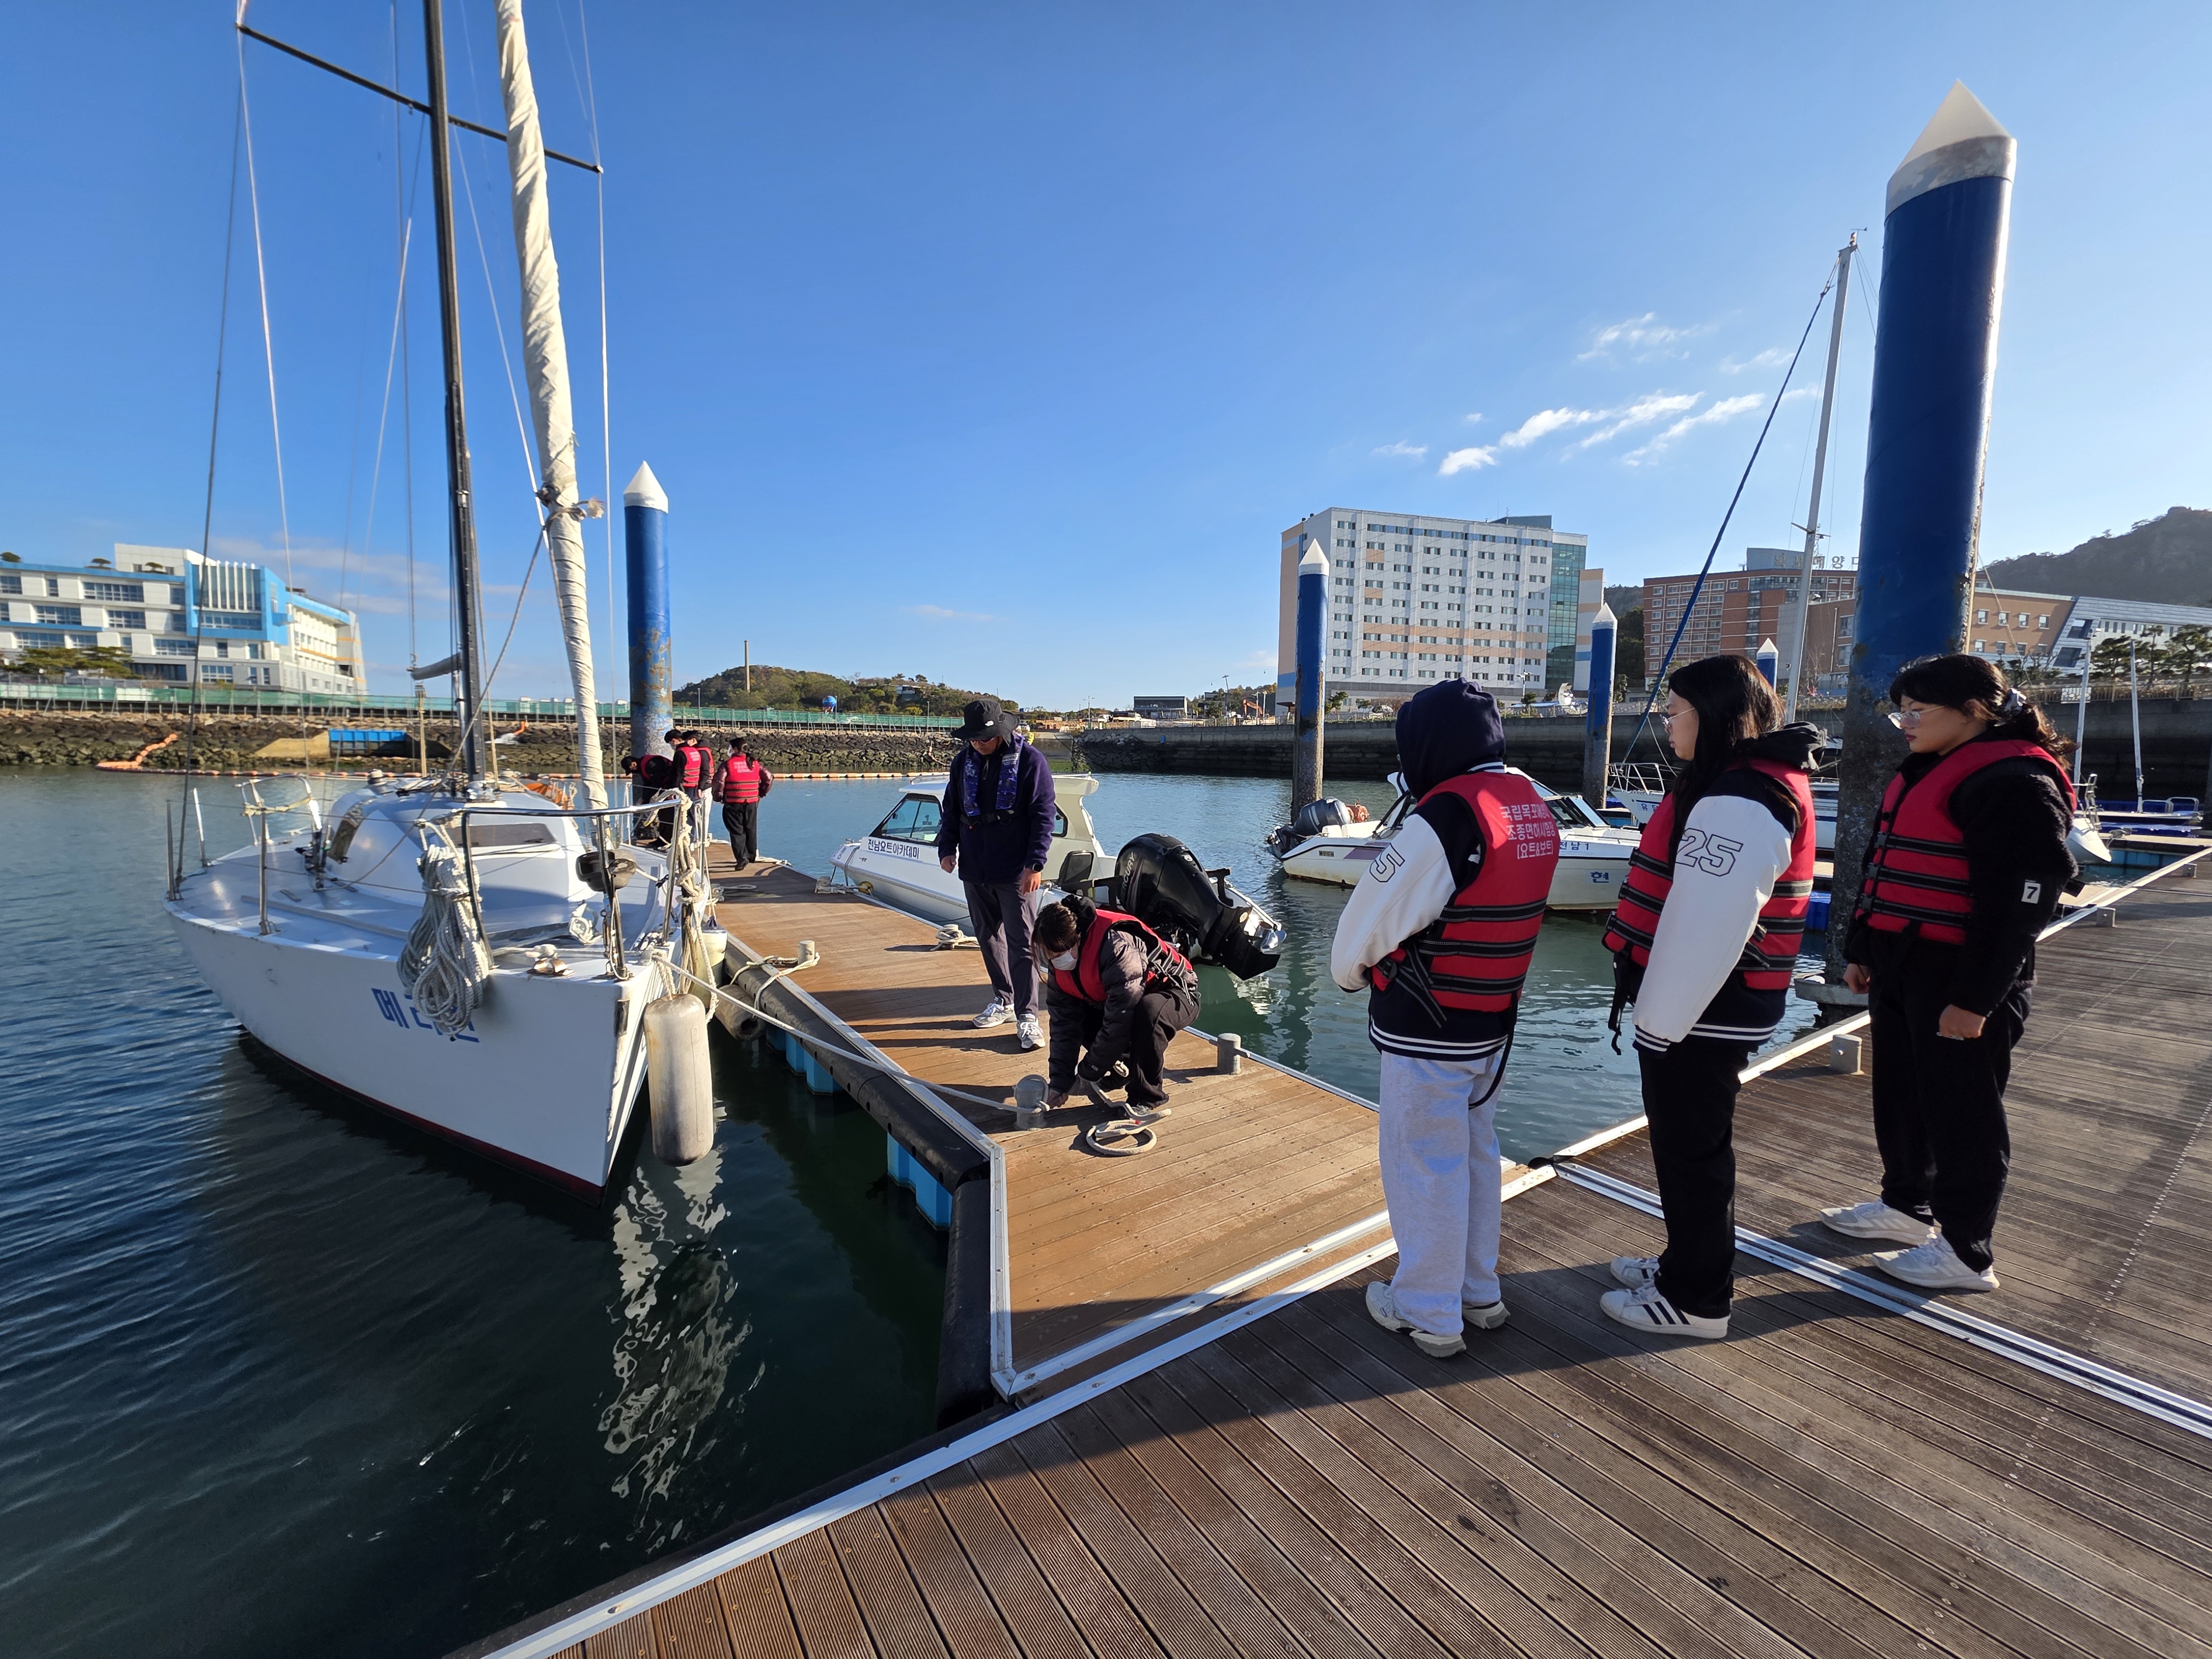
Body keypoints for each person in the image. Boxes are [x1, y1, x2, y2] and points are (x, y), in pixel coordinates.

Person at [1821, 655, 2076, 1293]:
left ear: (1975, 712)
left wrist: (1974, 999)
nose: (1903, 723)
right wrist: (1861, 948)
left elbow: (2024, 899)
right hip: (1903, 962)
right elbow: (1879, 868)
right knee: (1903, 1095)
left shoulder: (2014, 781)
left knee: (1963, 1114)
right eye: (1898, 709)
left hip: (1962, 974)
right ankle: (1905, 1206)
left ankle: (1967, 1251)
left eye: (1917, 711)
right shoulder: (1928, 767)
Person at [1329, 678, 1562, 1359]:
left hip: (1427, 1028)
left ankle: (1426, 1310)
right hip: (1493, 1024)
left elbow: (1362, 932)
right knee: (1475, 1154)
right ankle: (1475, 1291)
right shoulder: (1532, 805)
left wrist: (1349, 976)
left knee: (1423, 1162)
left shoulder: (1444, 818)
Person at [1597, 654, 1820, 1340]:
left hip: (1706, 1009)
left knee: (1692, 1152)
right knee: (1690, 1146)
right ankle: (1682, 1263)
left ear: (1718, 714)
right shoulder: (1736, 784)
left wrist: (1660, 1025)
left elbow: (1707, 924)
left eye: (1675, 710)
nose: (1667, 724)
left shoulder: (1741, 798)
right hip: (1717, 1005)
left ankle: (1697, 1299)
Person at [935, 696, 1055, 1051]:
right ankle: (1003, 999)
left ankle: (1028, 1016)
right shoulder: (963, 762)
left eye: (984, 738)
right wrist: (946, 848)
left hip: (1016, 869)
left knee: (1022, 943)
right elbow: (952, 809)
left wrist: (1035, 864)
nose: (978, 743)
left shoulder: (1031, 761)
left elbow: (1043, 814)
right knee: (988, 937)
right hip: (975, 866)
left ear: (1001, 732)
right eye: (972, 738)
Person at [1035, 896, 1199, 1119]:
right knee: (1080, 1014)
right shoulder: (1060, 961)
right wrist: (1060, 1082)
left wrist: (1088, 1072)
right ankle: (1120, 1068)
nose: (1055, 961)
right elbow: (1063, 1024)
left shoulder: (1115, 946)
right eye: (1049, 956)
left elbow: (1121, 1018)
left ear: (1077, 939)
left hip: (1177, 993)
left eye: (1058, 954)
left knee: (1148, 1011)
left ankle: (1146, 1096)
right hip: (1125, 1003)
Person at [713, 739, 773, 868]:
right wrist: (761, 793)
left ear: (734, 749)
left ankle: (742, 858)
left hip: (733, 802)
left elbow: (719, 782)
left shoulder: (727, 765)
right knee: (751, 829)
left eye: (730, 747)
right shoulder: (754, 763)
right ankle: (751, 856)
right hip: (752, 801)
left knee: (737, 831)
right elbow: (768, 777)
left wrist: (718, 797)